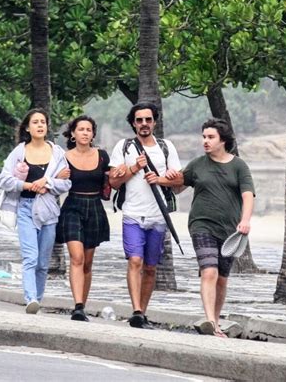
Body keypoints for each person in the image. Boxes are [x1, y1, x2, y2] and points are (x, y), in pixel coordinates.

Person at [109, 102, 182, 329]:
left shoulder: (166, 147)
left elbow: (180, 182)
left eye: (148, 120)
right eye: (139, 120)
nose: (144, 124)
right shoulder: (124, 147)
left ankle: (143, 310)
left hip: (158, 218)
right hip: (132, 214)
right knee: (135, 260)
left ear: (154, 122)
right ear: (133, 123)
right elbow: (113, 181)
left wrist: (165, 178)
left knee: (151, 267)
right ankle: (137, 311)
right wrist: (133, 169)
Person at [181, 118, 254, 338]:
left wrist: (246, 220)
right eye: (204, 137)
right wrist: (165, 179)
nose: (205, 141)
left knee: (222, 277)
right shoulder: (196, 164)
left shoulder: (239, 165)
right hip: (201, 224)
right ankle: (210, 321)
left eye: (210, 137)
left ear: (222, 140)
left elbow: (248, 194)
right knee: (209, 271)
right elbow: (177, 186)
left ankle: (216, 319)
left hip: (230, 230)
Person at [0, 108, 71, 315]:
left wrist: (47, 182)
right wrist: (28, 186)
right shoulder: (20, 152)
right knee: (30, 257)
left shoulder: (57, 153)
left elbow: (66, 183)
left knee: (43, 262)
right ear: (27, 128)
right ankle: (30, 298)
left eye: (43, 122)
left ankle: (37, 299)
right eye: (35, 122)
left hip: (48, 209)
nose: (39, 125)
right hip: (26, 207)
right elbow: (3, 179)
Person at [55, 115, 111, 322]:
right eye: (81, 129)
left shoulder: (102, 156)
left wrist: (121, 173)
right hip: (72, 207)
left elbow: (111, 180)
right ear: (73, 134)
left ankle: (82, 305)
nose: (85, 133)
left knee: (87, 262)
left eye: (89, 130)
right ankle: (77, 306)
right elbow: (52, 178)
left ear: (93, 134)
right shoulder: (63, 156)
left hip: (94, 206)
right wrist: (56, 177)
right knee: (76, 257)